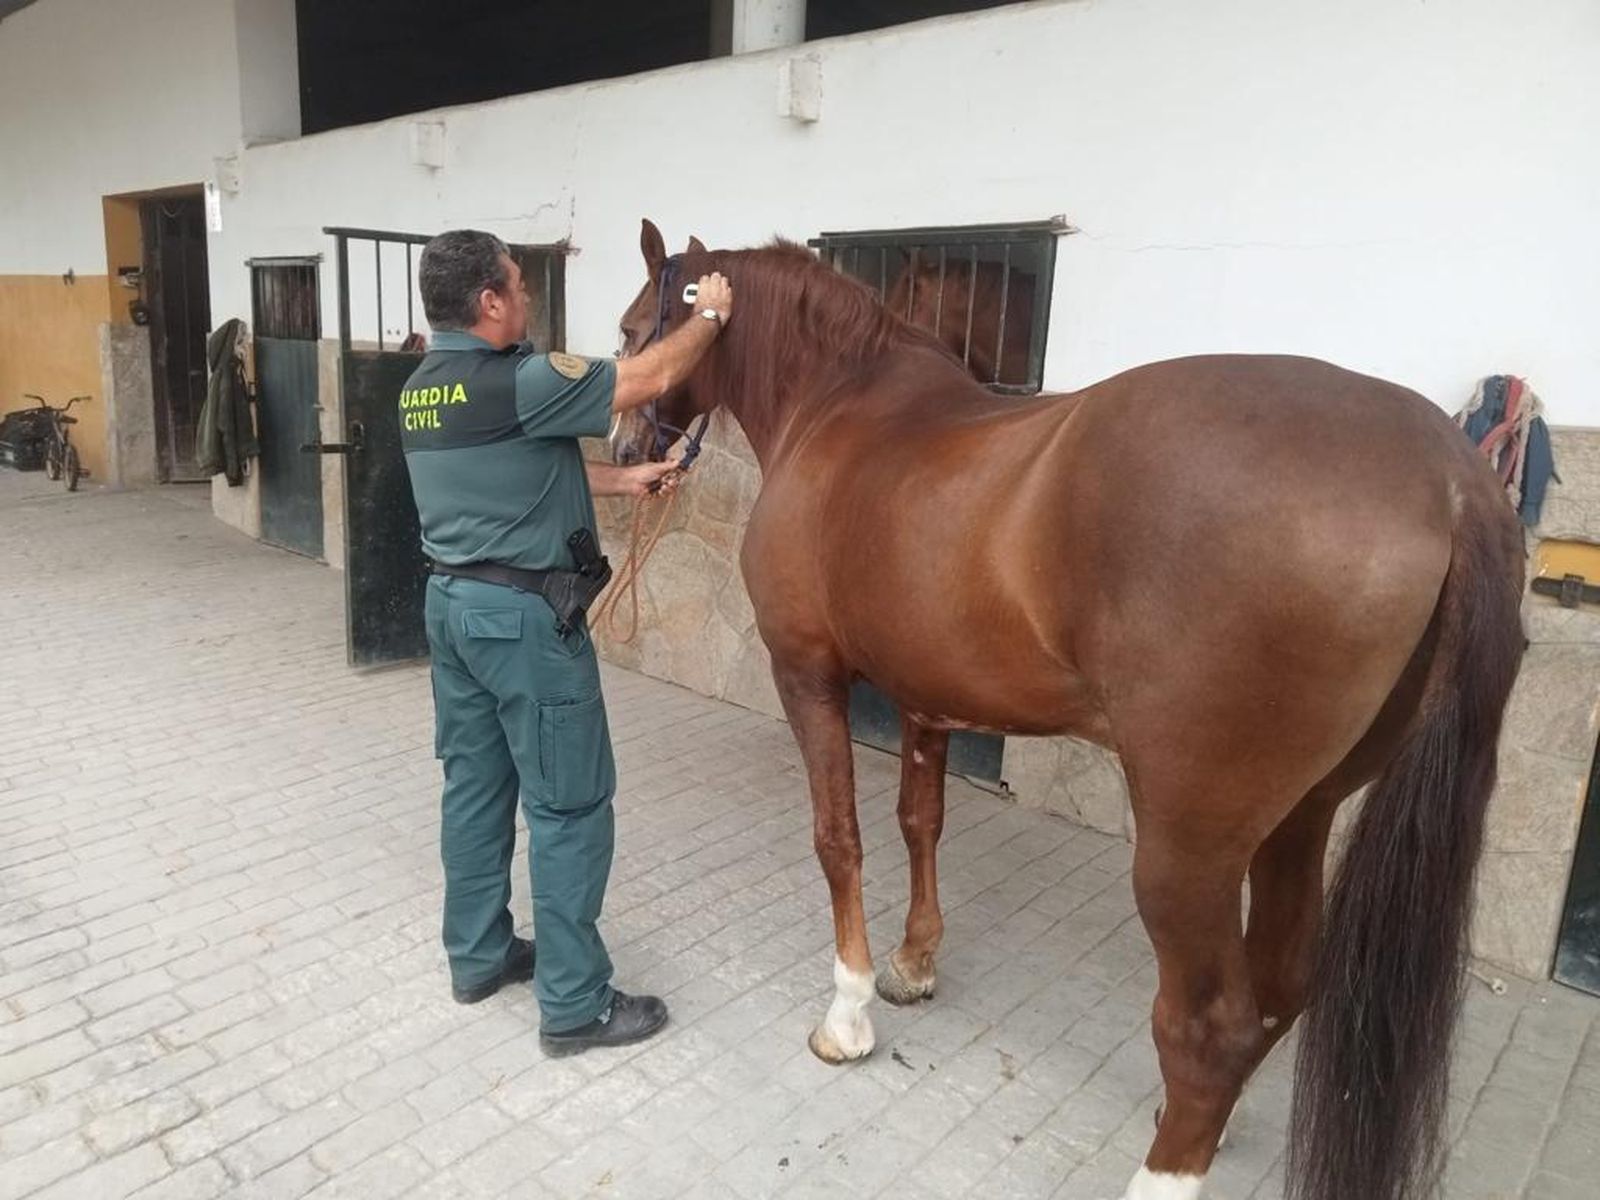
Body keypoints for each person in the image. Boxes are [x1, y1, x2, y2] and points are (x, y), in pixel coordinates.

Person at [400, 229, 730, 1055]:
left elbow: (521, 467)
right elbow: (650, 377)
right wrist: (712, 316)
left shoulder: (422, 389)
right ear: (489, 302)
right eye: (518, 285)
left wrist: (624, 479)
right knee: (569, 806)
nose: (526, 297)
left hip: (454, 609)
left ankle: (478, 957)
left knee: (475, 790)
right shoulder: (522, 379)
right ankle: (576, 1005)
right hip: (524, 624)